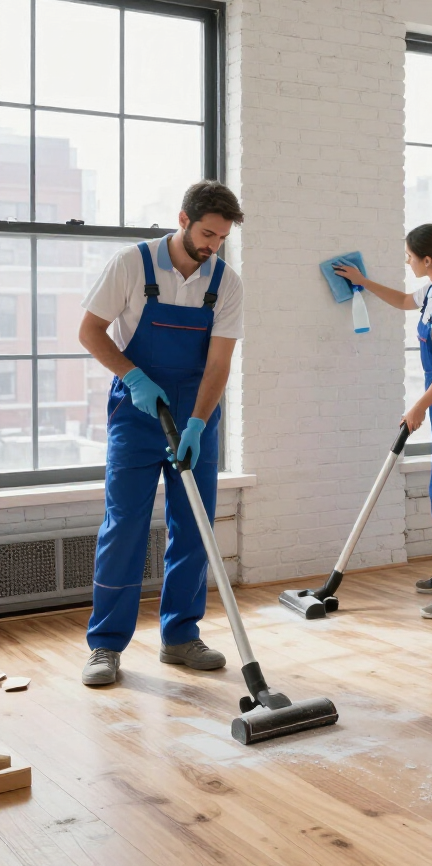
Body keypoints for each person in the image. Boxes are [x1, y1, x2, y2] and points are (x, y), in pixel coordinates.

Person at [78, 182, 244, 686]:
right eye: (207, 233)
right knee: (124, 524)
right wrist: (133, 377)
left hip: (195, 412)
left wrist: (197, 422)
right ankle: (105, 646)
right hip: (137, 410)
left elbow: (219, 363)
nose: (213, 245)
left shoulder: (227, 283)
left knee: (193, 525)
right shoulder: (132, 264)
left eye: (222, 237)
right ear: (183, 219)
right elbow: (89, 331)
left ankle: (180, 636)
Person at [335, 224, 432, 620]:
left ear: (427, 259)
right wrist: (361, 281)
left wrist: (419, 406)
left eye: (409, 255)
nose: (406, 260)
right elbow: (405, 300)